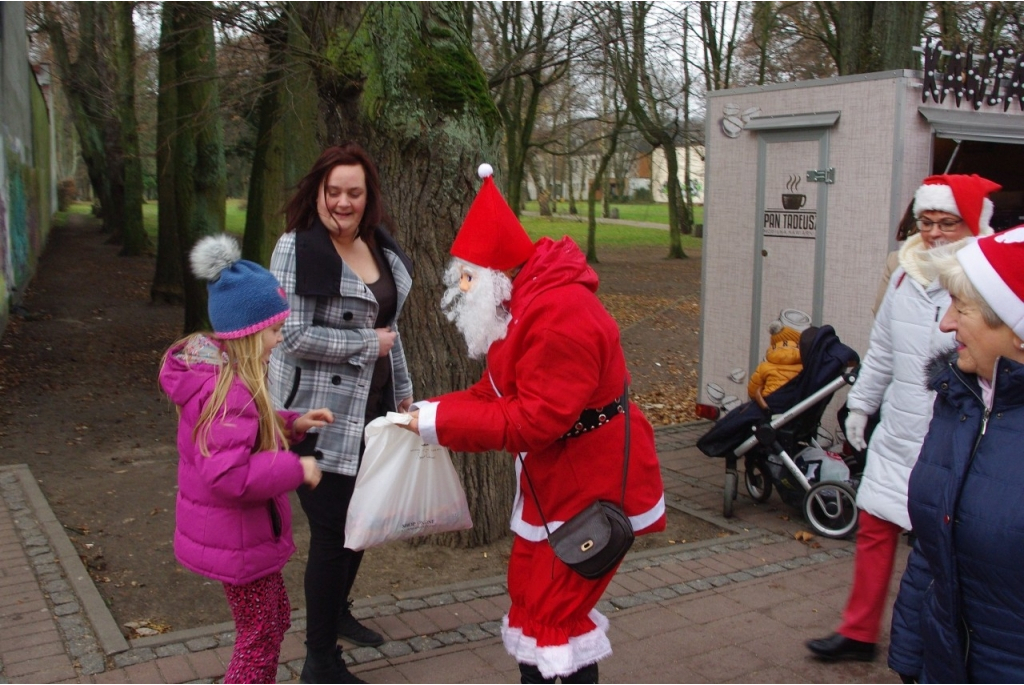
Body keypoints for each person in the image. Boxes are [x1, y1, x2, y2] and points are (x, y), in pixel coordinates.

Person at [405, 164, 666, 684]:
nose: (461, 292)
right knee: (530, 594)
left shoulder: (558, 313)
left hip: (588, 483)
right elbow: (495, 392)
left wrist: (440, 420)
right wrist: (428, 413)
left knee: (554, 612)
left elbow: (534, 420)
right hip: (556, 480)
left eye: (466, 279)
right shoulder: (518, 306)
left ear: (493, 274)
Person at [806, 173, 1002, 662]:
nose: (933, 234)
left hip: (951, 441)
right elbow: (884, 350)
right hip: (898, 430)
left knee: (938, 551)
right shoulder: (903, 275)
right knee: (874, 527)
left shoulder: (989, 284)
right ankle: (859, 632)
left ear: (974, 224)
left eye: (947, 223)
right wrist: (862, 405)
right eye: (926, 221)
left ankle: (933, 643)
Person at [267, 142, 414, 684]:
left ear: (368, 196)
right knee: (334, 532)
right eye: (334, 192)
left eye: (354, 192)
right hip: (318, 417)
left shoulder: (381, 247)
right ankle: (319, 659)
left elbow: (390, 329)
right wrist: (362, 345)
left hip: (373, 411)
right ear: (318, 193)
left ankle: (339, 611)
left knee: (363, 523)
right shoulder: (297, 247)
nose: (344, 202)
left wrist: (403, 391)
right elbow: (293, 335)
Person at [159, 235, 329, 684]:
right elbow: (229, 473)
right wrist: (297, 467)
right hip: (236, 541)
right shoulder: (229, 391)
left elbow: (246, 428)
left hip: (242, 537)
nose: (279, 339)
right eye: (274, 330)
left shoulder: (230, 379)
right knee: (259, 634)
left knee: (272, 620)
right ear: (249, 335)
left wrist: (292, 424)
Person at [888, 225, 1024, 682]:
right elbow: (932, 549)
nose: (945, 323)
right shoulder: (961, 401)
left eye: (961, 309)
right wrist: (910, 658)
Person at [747, 319, 803, 410]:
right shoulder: (805, 365)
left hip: (769, 407)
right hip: (796, 409)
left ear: (774, 345)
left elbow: (752, 392)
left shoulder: (765, 365)